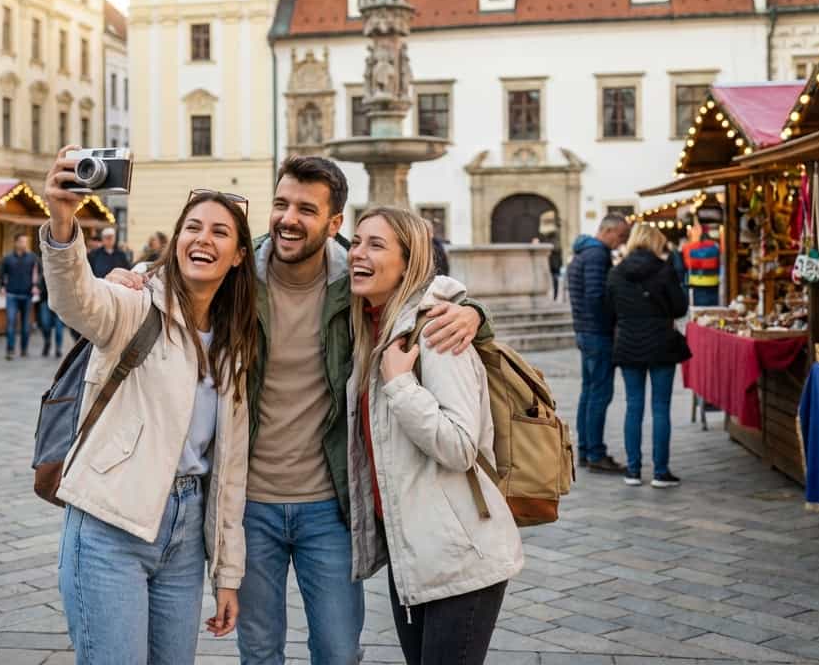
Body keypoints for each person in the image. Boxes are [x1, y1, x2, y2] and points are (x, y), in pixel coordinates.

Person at [107, 157, 487, 664]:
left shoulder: (355, 279)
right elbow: (174, 271)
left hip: (328, 505)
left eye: (306, 210)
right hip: (249, 505)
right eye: (281, 204)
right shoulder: (240, 273)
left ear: (334, 225)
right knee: (259, 651)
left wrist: (475, 313)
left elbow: (426, 294)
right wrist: (130, 276)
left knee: (337, 651)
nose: (288, 218)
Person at [42, 150, 255, 665]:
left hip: (184, 538)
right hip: (109, 525)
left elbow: (229, 469)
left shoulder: (237, 343)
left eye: (220, 232)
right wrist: (62, 221)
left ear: (240, 256)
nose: (203, 239)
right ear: (177, 239)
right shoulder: (136, 304)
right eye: (193, 227)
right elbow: (76, 299)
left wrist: (227, 575)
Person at [347, 207, 523, 665]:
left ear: (409, 262)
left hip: (459, 554)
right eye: (356, 241)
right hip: (414, 552)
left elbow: (462, 446)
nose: (358, 253)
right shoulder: (375, 327)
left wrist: (401, 386)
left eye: (376, 244)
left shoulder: (437, 332)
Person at [606, 223, 689, 489]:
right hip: (661, 343)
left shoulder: (617, 272)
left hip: (629, 343)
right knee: (660, 407)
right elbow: (679, 308)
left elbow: (610, 309)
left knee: (633, 406)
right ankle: (660, 472)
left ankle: (632, 471)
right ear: (656, 242)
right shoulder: (665, 270)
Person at [566, 214, 630, 474]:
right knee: (600, 394)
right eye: (622, 235)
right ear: (609, 231)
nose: (623, 242)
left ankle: (584, 450)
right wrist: (611, 322)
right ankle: (595, 453)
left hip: (584, 330)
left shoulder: (583, 252)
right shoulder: (597, 255)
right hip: (597, 333)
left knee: (589, 392)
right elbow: (595, 296)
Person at [0, 232, 39, 360]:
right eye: (21, 241)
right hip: (12, 294)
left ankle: (24, 349)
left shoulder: (33, 257)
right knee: (11, 322)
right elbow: (1, 273)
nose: (24, 244)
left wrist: (36, 285)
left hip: (27, 295)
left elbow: (40, 273)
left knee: (25, 325)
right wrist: (2, 286)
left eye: (25, 242)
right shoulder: (7, 258)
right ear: (15, 242)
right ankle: (10, 350)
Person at [681, 224, 721, 307]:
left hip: (697, 286)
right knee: (713, 311)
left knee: (699, 313)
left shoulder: (688, 247)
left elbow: (686, 265)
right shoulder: (716, 247)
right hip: (713, 285)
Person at [35, 274, 67, 358]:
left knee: (59, 327)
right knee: (45, 324)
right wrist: (39, 288)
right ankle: (47, 341)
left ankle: (58, 348)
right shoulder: (45, 269)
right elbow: (40, 282)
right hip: (45, 301)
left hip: (59, 303)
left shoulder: (62, 272)